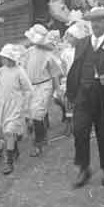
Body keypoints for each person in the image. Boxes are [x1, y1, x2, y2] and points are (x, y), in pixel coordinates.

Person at [66, 7, 104, 188]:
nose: (96, 25)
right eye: (93, 21)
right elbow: (75, 68)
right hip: (83, 95)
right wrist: (72, 93)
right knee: (79, 131)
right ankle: (83, 168)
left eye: (100, 21)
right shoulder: (82, 43)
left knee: (103, 133)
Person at [24, 25, 62, 157]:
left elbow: (54, 73)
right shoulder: (28, 52)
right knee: (30, 111)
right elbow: (23, 69)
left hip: (44, 85)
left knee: (36, 113)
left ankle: (38, 143)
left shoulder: (48, 55)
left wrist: (57, 89)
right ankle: (42, 127)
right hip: (30, 85)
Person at [0, 44, 31, 175]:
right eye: (2, 57)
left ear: (11, 58)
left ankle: (9, 162)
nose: (2, 60)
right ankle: (14, 149)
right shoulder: (1, 71)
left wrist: (24, 106)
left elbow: (28, 89)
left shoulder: (19, 71)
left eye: (5, 57)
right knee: (5, 132)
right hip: (3, 106)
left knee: (9, 131)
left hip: (15, 106)